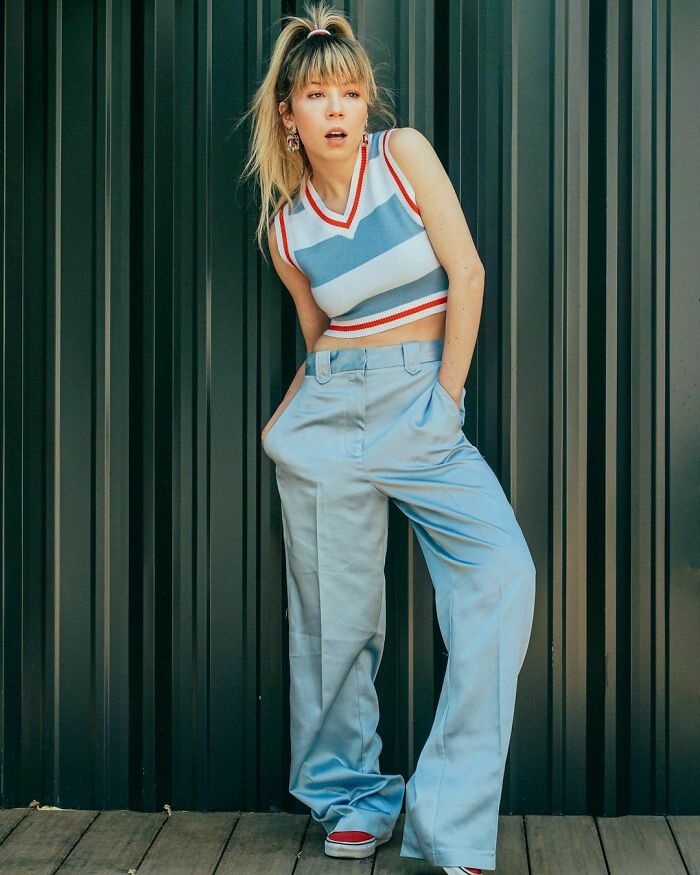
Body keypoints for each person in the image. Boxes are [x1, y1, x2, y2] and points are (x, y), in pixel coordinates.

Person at [237, 3, 536, 873]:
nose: (338, 108)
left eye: (352, 91)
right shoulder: (285, 230)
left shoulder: (401, 159)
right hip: (326, 417)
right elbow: (319, 333)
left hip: (422, 406)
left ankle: (448, 818)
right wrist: (281, 424)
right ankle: (351, 797)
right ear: (288, 115)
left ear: (368, 103)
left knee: (500, 576)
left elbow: (468, 271)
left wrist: (445, 402)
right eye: (318, 94)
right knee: (337, 626)